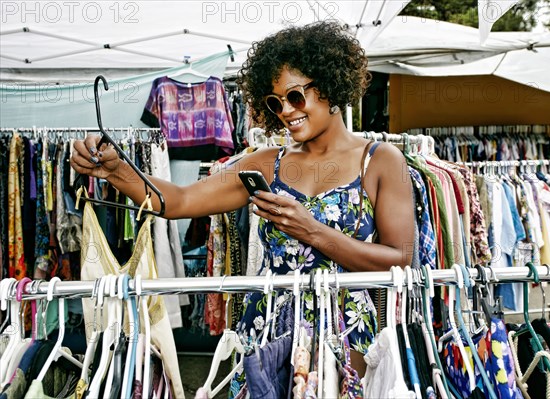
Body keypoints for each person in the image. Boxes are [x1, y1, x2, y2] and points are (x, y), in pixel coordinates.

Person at [70, 21, 414, 377]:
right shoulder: (267, 163)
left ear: (329, 85)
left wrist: (311, 231)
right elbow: (180, 201)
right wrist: (116, 171)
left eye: (295, 96)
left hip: (345, 331)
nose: (286, 111)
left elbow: (400, 259)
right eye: (275, 102)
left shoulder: (381, 161)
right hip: (268, 329)